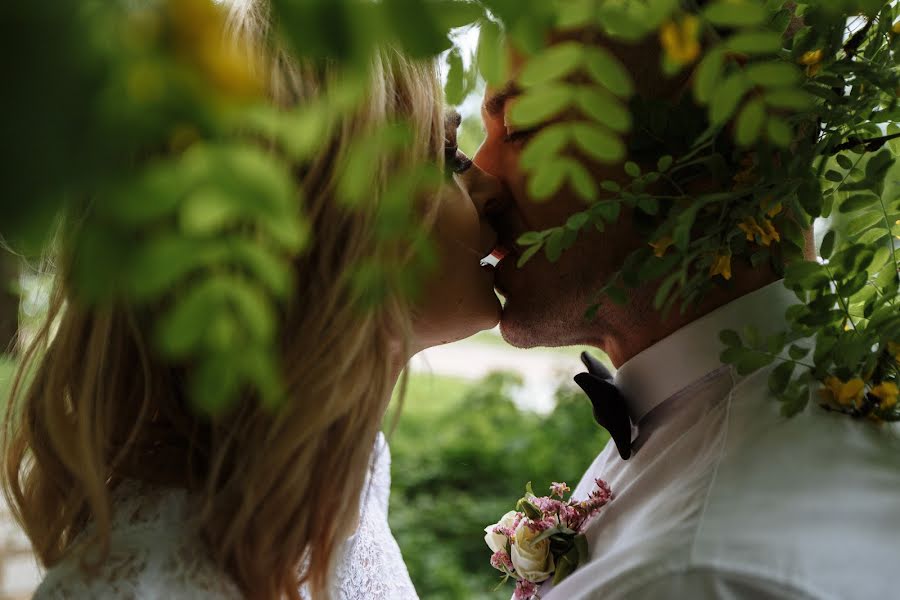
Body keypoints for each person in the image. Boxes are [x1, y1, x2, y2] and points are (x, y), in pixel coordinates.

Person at [1, 1, 505, 598]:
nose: (490, 187)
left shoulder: (329, 482)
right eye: (449, 157)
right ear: (336, 228)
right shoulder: (155, 580)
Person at [474, 27, 900, 600]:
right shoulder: (828, 407)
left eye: (522, 125)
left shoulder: (689, 574)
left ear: (737, 138)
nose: (480, 176)